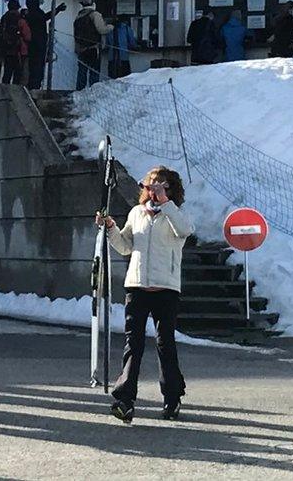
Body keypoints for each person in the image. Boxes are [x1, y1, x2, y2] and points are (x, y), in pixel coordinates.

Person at [96, 166, 193, 424]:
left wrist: (167, 205)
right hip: (138, 286)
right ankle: (125, 400)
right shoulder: (137, 213)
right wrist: (111, 228)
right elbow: (125, 246)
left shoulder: (175, 215)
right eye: (150, 185)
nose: (154, 190)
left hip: (166, 288)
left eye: (160, 186)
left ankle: (172, 397)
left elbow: (186, 231)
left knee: (165, 344)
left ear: (171, 190)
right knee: (133, 344)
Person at [24, 0, 66, 90]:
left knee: (35, 68)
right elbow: (45, 17)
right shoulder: (36, 13)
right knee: (37, 68)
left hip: (34, 45)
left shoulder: (30, 13)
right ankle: (35, 87)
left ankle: (34, 86)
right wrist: (57, 9)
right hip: (38, 45)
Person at [74, 0, 113, 90]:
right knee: (94, 72)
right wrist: (111, 26)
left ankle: (79, 91)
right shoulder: (95, 14)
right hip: (93, 48)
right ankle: (93, 92)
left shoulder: (78, 16)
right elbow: (101, 29)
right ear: (93, 4)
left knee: (82, 71)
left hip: (81, 48)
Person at [0, 0, 32, 85]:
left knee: (7, 73)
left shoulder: (4, 18)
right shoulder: (20, 19)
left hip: (7, 50)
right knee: (18, 74)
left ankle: (4, 91)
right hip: (19, 51)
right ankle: (15, 93)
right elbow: (27, 36)